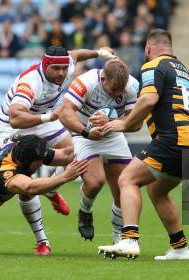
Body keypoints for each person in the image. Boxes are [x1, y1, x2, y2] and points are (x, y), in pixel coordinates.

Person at [0, 45, 116, 255]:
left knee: (73, 150)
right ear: (45, 65)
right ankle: (42, 241)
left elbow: (76, 55)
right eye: (56, 69)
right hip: (14, 127)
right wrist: (47, 117)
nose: (62, 73)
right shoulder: (30, 83)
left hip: (43, 119)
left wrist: (99, 53)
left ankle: (50, 190)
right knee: (25, 183)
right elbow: (15, 117)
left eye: (64, 68)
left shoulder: (66, 65)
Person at [97, 29, 189, 261]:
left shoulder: (153, 65)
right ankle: (180, 248)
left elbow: (148, 100)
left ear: (148, 49)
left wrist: (121, 124)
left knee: (127, 179)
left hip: (174, 138)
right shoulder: (183, 70)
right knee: (157, 190)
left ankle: (129, 239)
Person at [58, 59, 139, 243]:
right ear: (103, 78)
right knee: (95, 182)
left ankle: (119, 238)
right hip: (83, 133)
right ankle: (85, 211)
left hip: (113, 135)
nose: (117, 93)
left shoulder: (131, 87)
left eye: (120, 90)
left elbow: (135, 124)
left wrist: (111, 124)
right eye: (112, 89)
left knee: (124, 187)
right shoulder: (86, 82)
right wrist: (86, 132)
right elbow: (64, 112)